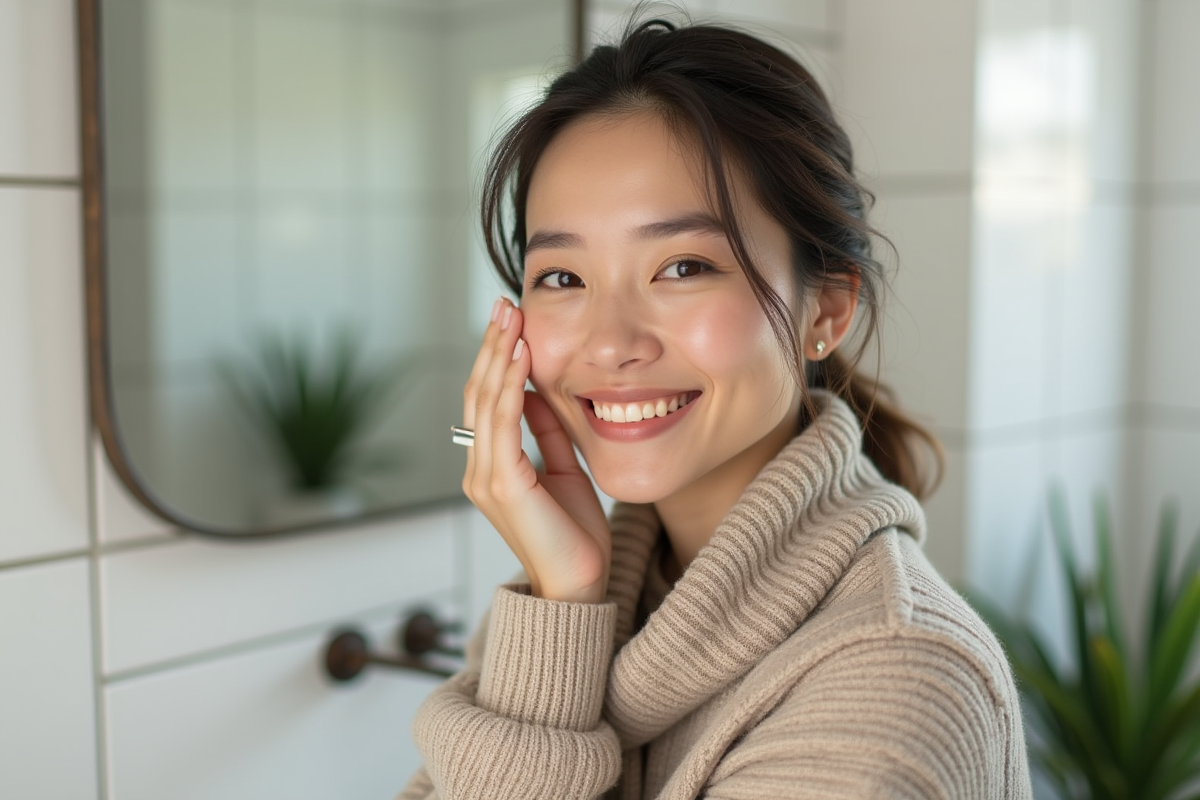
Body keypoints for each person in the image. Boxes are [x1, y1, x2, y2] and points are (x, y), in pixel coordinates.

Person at [401, 17, 1032, 800]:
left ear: (825, 313)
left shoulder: (897, 678)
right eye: (562, 278)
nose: (610, 341)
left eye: (683, 266)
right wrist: (562, 606)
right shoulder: (565, 607)